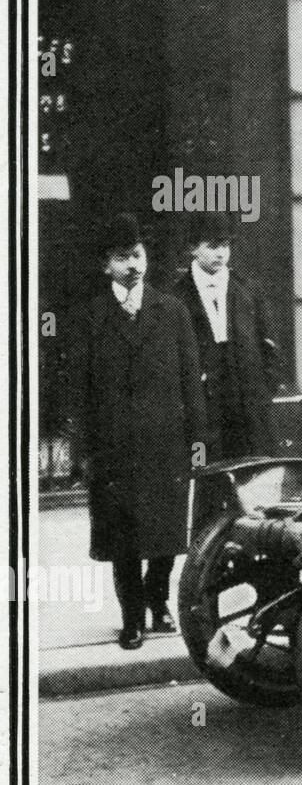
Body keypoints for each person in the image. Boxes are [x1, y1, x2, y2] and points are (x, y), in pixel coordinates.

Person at [67, 213, 206, 649]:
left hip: (166, 444)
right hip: (113, 450)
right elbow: (78, 391)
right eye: (122, 257)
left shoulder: (173, 311)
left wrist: (198, 440)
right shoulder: (89, 317)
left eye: (138, 254)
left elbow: (191, 379)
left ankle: (158, 598)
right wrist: (82, 452)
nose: (133, 264)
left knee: (166, 535)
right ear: (106, 265)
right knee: (122, 539)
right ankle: (132, 618)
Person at [172, 211, 279, 461]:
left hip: (249, 407)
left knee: (255, 477)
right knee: (208, 476)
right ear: (193, 249)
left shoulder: (249, 290)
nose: (221, 253)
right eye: (212, 246)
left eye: (226, 245)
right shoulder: (176, 299)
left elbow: (269, 346)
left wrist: (263, 390)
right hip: (205, 410)